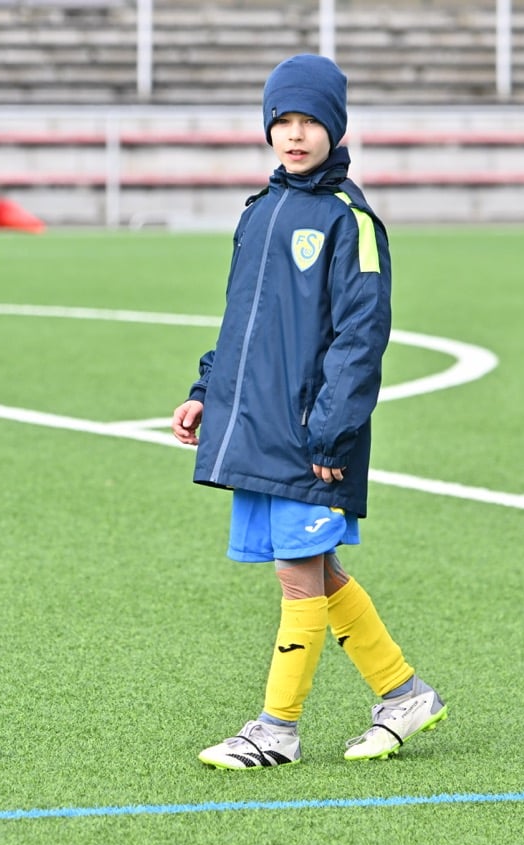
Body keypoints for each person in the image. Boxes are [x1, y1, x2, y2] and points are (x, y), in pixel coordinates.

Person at [170, 54, 447, 769]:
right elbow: (243, 322)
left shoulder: (348, 220)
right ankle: (403, 692)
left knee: (299, 573)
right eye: (283, 121)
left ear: (335, 127)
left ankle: (276, 728)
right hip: (260, 425)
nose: (295, 134)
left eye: (309, 121)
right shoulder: (260, 212)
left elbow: (361, 338)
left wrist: (332, 430)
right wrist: (208, 391)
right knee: (313, 573)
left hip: (313, 435)